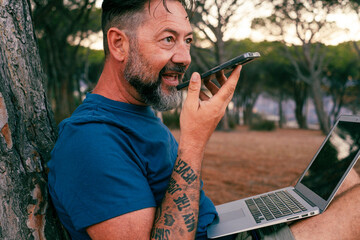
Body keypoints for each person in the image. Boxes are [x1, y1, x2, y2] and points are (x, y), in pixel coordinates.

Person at [47, 0, 360, 239]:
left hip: (218, 229)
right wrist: (194, 141)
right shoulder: (90, 141)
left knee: (347, 181)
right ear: (119, 44)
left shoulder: (137, 111)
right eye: (168, 39)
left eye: (188, 40)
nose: (184, 57)